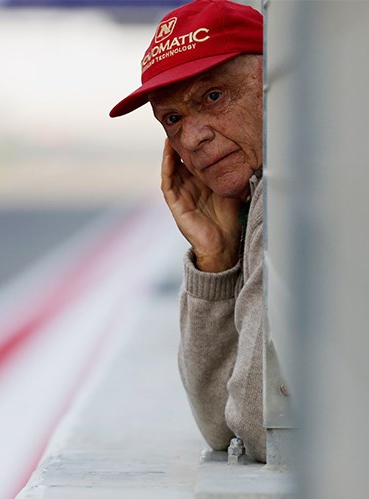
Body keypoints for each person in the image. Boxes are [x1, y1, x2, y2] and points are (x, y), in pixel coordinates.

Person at [109, 0, 266, 462]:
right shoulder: (259, 194)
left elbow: (257, 427)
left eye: (213, 97)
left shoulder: (290, 191)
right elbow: (220, 426)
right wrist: (215, 259)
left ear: (271, 86)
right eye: (173, 119)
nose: (192, 138)